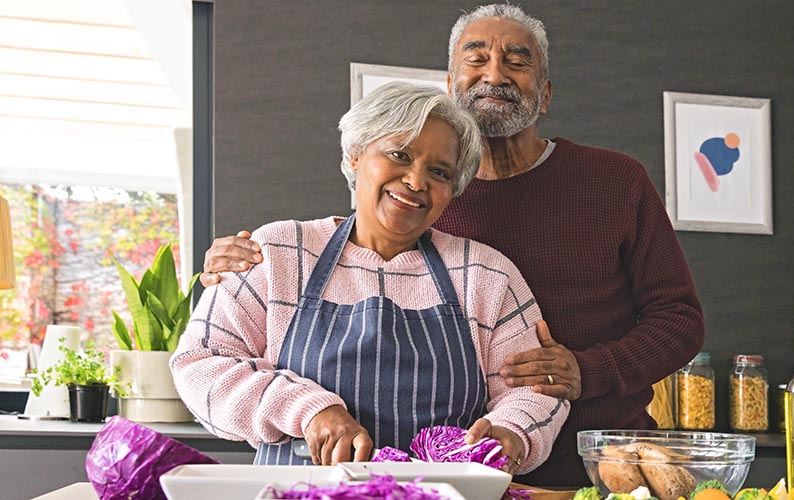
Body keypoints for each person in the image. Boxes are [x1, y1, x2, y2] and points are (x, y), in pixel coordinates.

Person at [200, 4, 704, 487]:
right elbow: (210, 357)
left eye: (517, 61)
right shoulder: (295, 247)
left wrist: (578, 377)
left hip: (587, 464)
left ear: (545, 94)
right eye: (477, 57)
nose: (496, 74)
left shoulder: (601, 190)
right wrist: (234, 271)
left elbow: (678, 318)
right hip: (374, 484)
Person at [171, 82, 568, 473]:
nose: (416, 181)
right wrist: (309, 410)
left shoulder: (486, 274)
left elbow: (533, 391)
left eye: (439, 171)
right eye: (399, 154)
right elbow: (201, 366)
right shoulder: (279, 252)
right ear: (357, 154)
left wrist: (510, 434)